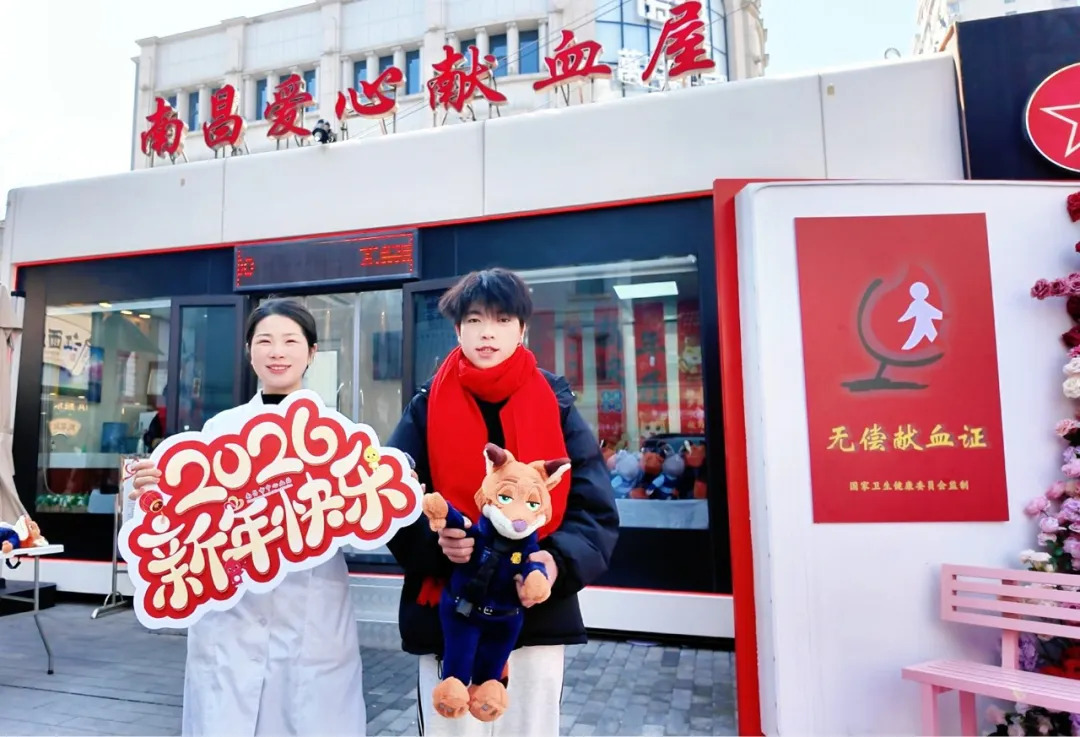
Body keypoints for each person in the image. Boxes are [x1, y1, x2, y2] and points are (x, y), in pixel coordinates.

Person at [386, 268, 620, 736]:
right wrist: (438, 547)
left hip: (536, 612)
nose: (487, 332)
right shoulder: (427, 405)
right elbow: (391, 498)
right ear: (458, 330)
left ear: (522, 329)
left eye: (502, 319)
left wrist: (554, 563)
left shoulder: (555, 402)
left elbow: (594, 509)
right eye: (474, 320)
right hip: (451, 612)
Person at [128, 298, 366, 737]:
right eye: (265, 341)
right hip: (230, 614)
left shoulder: (340, 437)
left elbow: (362, 528)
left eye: (291, 341)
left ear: (312, 352)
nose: (278, 352)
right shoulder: (219, 432)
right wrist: (153, 493)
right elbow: (184, 522)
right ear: (249, 351)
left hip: (312, 617)